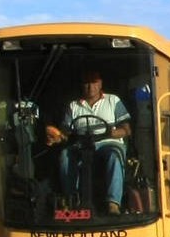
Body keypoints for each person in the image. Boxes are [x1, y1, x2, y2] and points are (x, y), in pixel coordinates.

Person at [45, 71, 132, 213]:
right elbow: (66, 133)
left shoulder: (113, 100)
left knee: (115, 155)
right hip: (82, 144)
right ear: (82, 85)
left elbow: (127, 130)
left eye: (94, 82)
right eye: (86, 83)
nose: (90, 87)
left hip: (108, 142)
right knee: (65, 155)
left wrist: (111, 133)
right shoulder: (73, 106)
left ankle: (113, 203)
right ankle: (72, 199)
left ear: (100, 84)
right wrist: (57, 137)